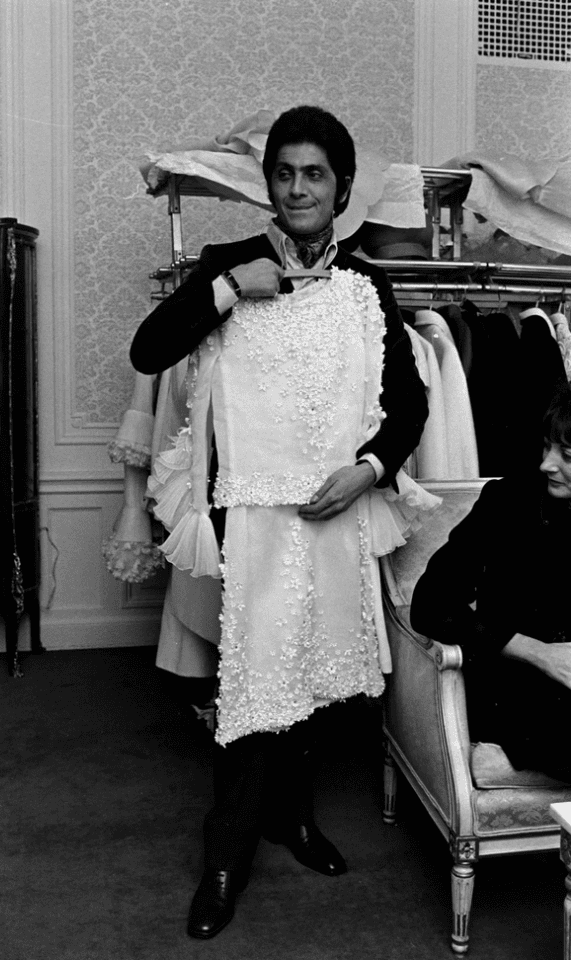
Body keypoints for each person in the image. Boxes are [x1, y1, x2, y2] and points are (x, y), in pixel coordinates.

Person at [130, 105, 432, 939]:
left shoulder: (368, 284)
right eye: (285, 173)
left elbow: (408, 403)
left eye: (315, 175)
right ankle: (224, 855)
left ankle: (291, 819)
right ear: (269, 184)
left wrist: (367, 470)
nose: (298, 188)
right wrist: (228, 292)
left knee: (309, 677)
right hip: (251, 517)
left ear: (340, 191)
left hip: (333, 511)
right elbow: (149, 352)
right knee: (255, 684)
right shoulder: (230, 262)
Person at [410, 383, 571, 784]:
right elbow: (429, 604)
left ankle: (527, 770)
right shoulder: (508, 501)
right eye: (547, 447)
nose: (547, 465)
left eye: (566, 456)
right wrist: (538, 653)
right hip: (516, 687)